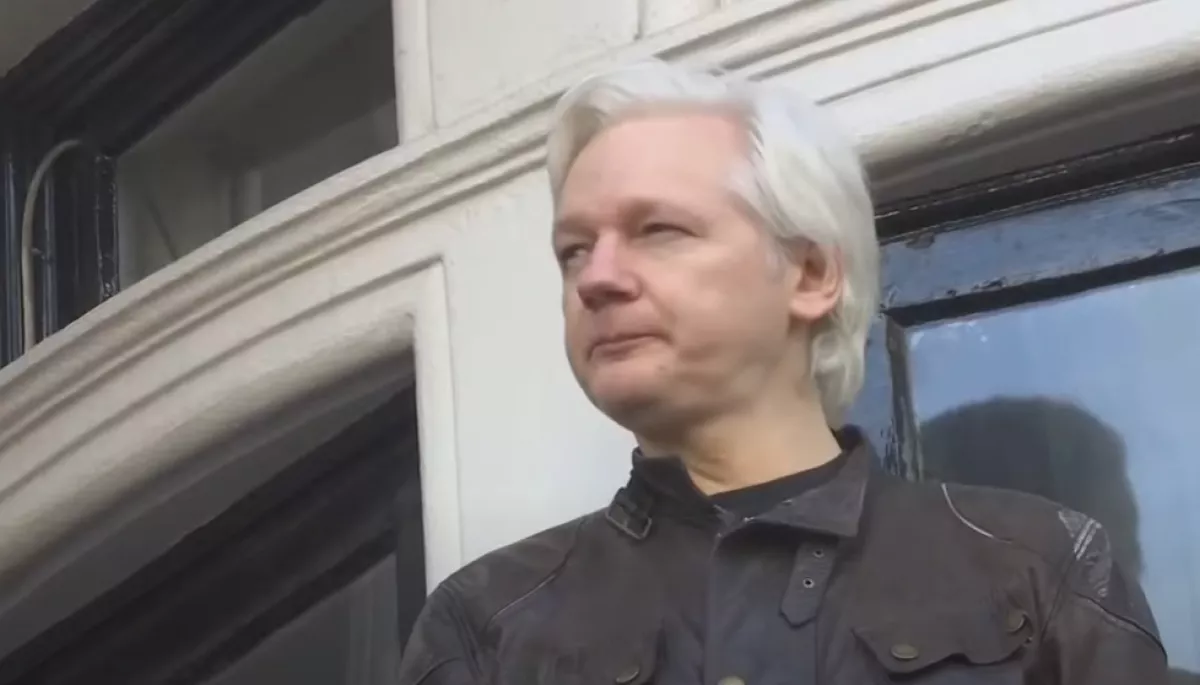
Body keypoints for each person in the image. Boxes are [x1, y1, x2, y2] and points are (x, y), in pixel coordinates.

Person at [397, 59, 1168, 684]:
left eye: (658, 229)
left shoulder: (1037, 569)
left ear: (810, 274)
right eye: (574, 250)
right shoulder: (483, 624)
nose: (596, 277)